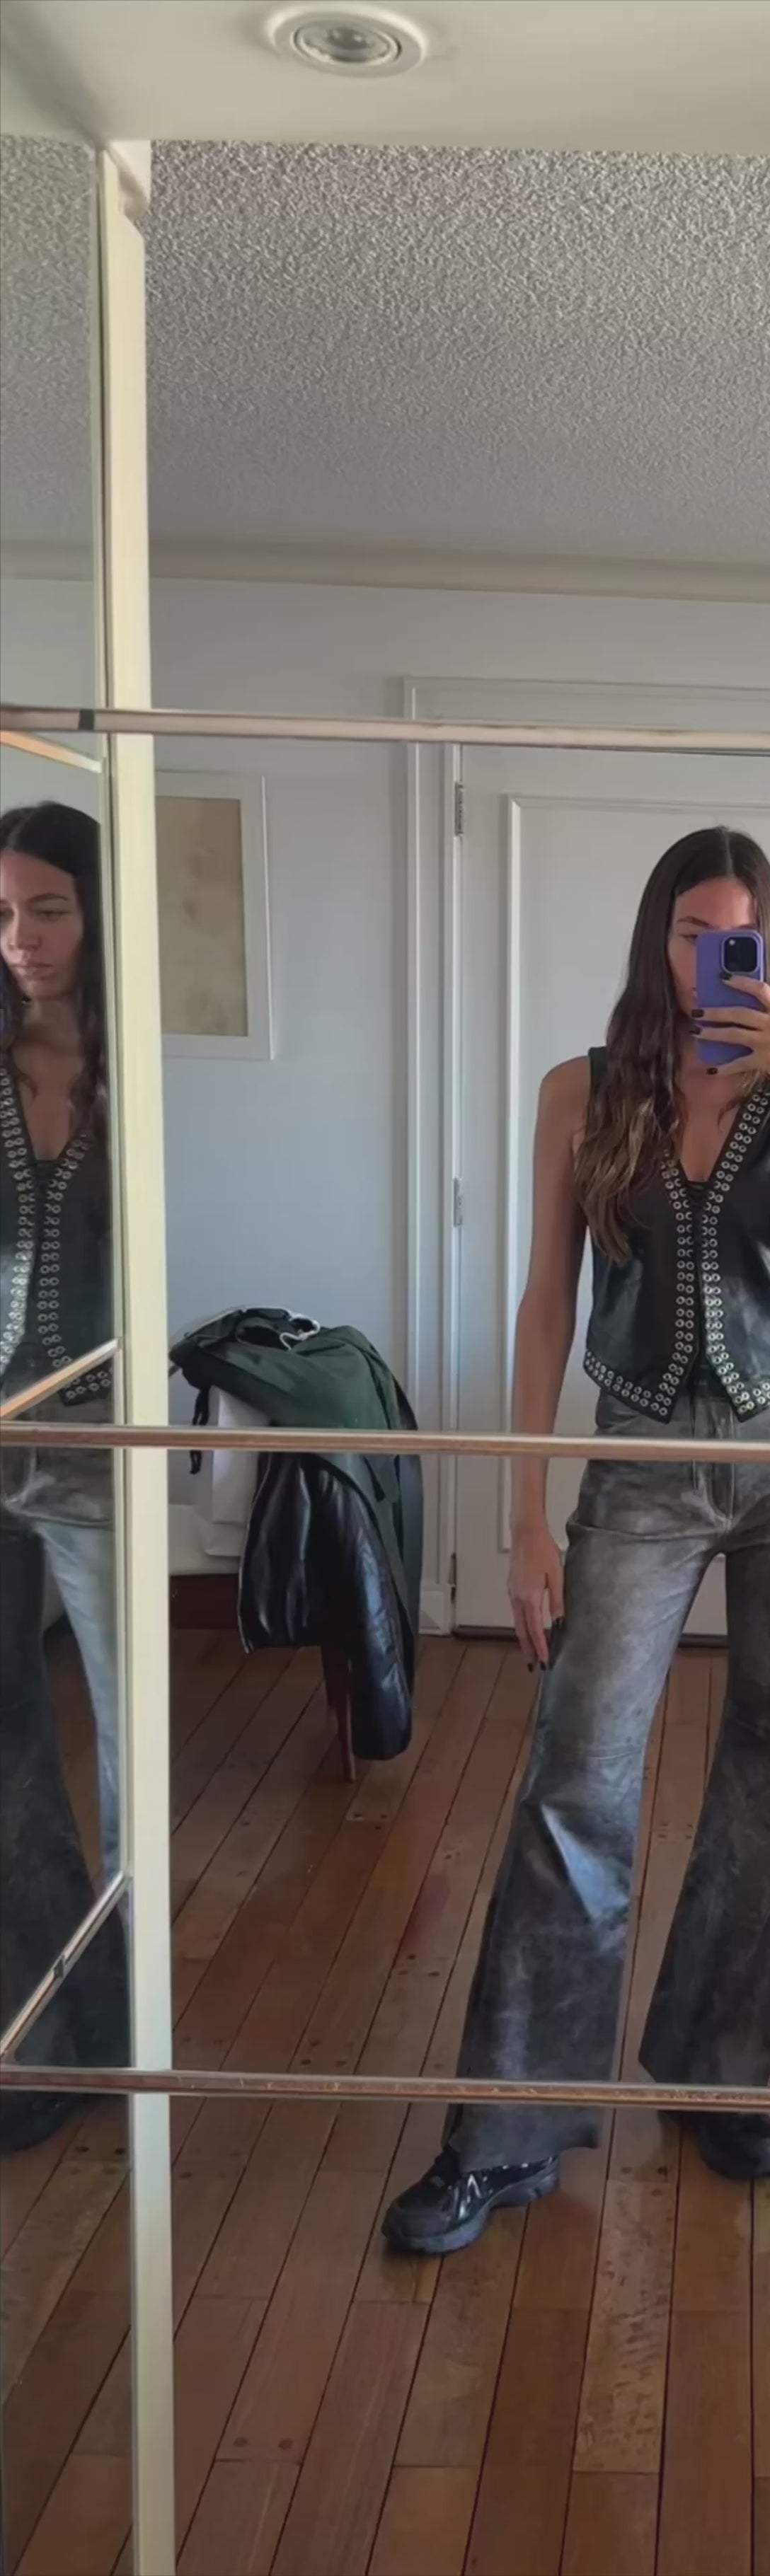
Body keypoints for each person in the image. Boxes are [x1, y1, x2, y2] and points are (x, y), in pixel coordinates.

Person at [384, 824, 770, 2254]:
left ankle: (714, 2072)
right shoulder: (584, 1090)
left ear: (769, 942)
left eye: (736, 933)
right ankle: (504, 2133)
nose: (709, 957)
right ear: (656, 936)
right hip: (643, 1460)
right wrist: (523, 1516)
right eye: (688, 930)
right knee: (577, 1774)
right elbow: (546, 1302)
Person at [1, 801, 127, 2151]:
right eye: (1, 912)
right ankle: (50, 2033)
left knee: (131, 1745)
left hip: (97, 1446)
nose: (22, 940)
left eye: (48, 908)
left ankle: (136, 2031)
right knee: (5, 1747)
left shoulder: (136, 1071)